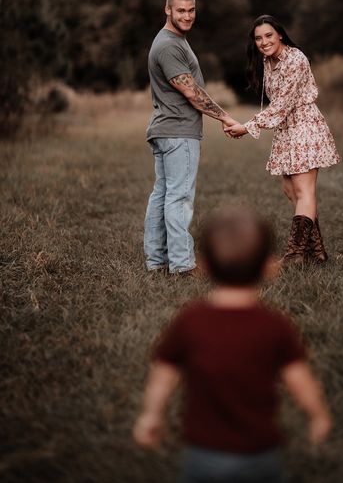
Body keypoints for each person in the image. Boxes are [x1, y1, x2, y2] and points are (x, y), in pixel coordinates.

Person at [133, 207, 332, 483]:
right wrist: (318, 415)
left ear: (204, 266)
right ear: (269, 267)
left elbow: (164, 372)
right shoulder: (274, 325)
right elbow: (299, 378)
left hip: (203, 453)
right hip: (260, 453)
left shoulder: (190, 321)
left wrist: (151, 415)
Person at [225, 15, 340, 264]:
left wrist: (247, 127)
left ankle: (294, 254)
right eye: (258, 38)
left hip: (304, 125)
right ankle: (316, 252)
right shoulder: (268, 61)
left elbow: (282, 105)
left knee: (304, 189)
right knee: (290, 190)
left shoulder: (295, 59)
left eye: (268, 35)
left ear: (279, 34)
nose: (264, 42)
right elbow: (277, 105)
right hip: (286, 130)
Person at [144, 0, 237, 274]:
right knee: (179, 197)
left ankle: (156, 261)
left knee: (163, 194)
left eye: (191, 10)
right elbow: (191, 91)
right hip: (178, 132)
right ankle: (182, 265)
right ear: (167, 10)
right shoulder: (170, 45)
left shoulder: (174, 40)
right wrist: (224, 117)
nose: (187, 16)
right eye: (180, 10)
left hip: (167, 129)